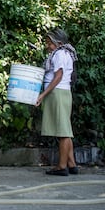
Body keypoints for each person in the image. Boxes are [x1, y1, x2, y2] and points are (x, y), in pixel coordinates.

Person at [36, 28, 79, 176]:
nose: (47, 46)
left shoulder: (60, 54)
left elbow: (58, 76)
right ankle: (71, 164)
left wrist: (43, 95)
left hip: (57, 93)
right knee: (64, 129)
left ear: (58, 43)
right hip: (62, 93)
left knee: (63, 132)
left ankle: (61, 166)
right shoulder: (64, 53)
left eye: (50, 43)